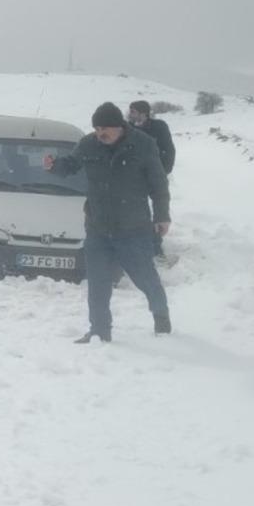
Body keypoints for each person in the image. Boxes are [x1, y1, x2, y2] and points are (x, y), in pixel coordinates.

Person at [44, 102, 172, 343]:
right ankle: (99, 331)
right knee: (98, 282)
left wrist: (162, 215)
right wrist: (55, 166)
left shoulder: (143, 145)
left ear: (119, 127)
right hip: (98, 227)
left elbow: (158, 184)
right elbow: (71, 165)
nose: (100, 133)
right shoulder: (89, 144)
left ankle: (160, 315)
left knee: (145, 277)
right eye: (96, 128)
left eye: (105, 128)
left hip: (133, 228)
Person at [128, 100, 175, 256]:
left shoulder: (159, 127)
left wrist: (162, 172)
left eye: (133, 111)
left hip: (155, 176)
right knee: (138, 211)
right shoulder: (128, 129)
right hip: (134, 178)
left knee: (159, 211)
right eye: (130, 111)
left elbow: (169, 151)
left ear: (144, 113)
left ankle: (155, 246)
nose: (131, 114)